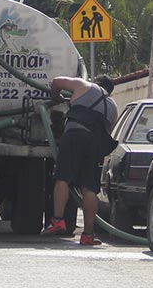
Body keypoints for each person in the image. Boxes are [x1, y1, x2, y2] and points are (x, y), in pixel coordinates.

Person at [40, 74, 118, 246]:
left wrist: (56, 97)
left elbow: (57, 82)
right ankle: (88, 235)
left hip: (75, 134)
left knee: (63, 178)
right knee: (89, 189)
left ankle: (58, 220)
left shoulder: (84, 85)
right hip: (95, 145)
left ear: (95, 83)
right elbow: (108, 131)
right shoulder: (113, 107)